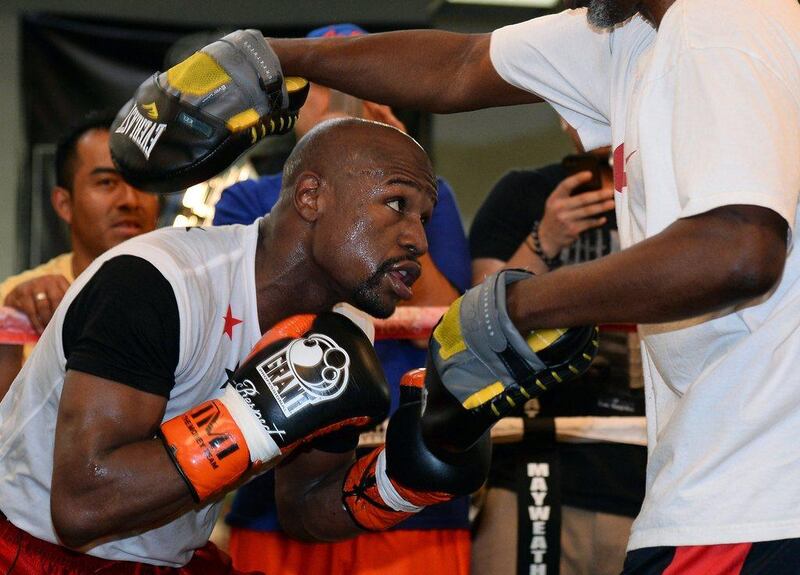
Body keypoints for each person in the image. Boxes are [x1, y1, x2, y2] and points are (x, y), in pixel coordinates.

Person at [256, 0, 800, 571]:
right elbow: (461, 64)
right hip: (734, 483)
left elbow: (739, 247)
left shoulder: (722, 19)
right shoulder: (631, 38)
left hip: (759, 493)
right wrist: (269, 58)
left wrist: (513, 307)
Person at [0, 118, 468, 573]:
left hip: (166, 560)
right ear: (311, 197)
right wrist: (253, 416)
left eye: (424, 217)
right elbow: (82, 506)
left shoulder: (344, 330)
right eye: (396, 203)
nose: (419, 240)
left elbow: (303, 508)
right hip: (26, 550)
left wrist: (397, 482)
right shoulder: (159, 281)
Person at [213, 23, 473, 575]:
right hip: (276, 472)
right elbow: (247, 316)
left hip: (400, 476)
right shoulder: (249, 198)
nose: (337, 101)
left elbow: (447, 325)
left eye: (354, 86)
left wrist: (402, 194)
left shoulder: (432, 194)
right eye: (320, 85)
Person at [469, 147, 647, 575]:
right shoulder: (522, 193)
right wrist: (543, 241)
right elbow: (475, 333)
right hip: (528, 471)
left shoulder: (673, 201)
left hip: (650, 481)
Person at [0, 112, 160, 397]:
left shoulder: (189, 294)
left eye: (141, 183)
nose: (129, 200)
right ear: (64, 204)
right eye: (107, 183)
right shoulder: (14, 300)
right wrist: (10, 330)